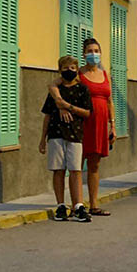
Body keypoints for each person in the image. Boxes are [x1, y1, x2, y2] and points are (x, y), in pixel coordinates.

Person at [49, 38, 115, 216]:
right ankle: (76, 205)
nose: (94, 54)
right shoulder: (77, 73)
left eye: (96, 51)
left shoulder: (105, 74)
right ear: (84, 54)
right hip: (81, 123)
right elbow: (53, 85)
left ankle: (94, 204)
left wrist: (112, 125)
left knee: (95, 164)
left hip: (100, 124)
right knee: (76, 165)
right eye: (90, 51)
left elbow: (110, 101)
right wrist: (61, 104)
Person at [39, 55, 93, 222]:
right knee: (58, 170)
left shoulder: (82, 89)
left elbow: (87, 112)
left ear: (77, 70)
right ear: (60, 70)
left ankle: (78, 205)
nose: (69, 71)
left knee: (76, 170)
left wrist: (68, 107)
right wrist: (42, 139)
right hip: (56, 134)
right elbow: (47, 115)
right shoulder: (55, 91)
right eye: (65, 68)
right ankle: (61, 205)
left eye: (72, 68)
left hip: (75, 134)